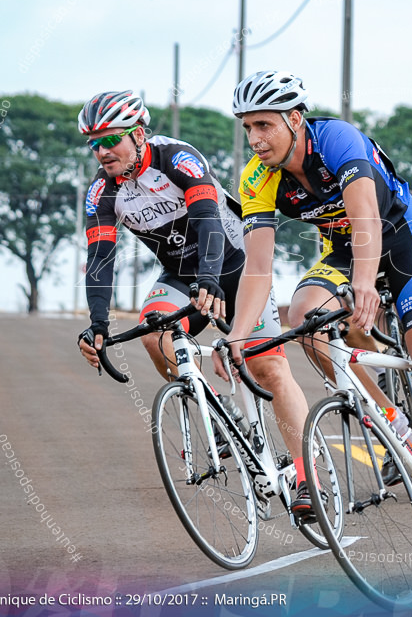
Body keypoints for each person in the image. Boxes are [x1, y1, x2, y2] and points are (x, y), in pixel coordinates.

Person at [220, 70, 412, 556]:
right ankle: (393, 421)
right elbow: (257, 268)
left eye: (264, 125)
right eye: (247, 127)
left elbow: (365, 219)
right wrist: (239, 334)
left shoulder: (337, 139)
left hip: (402, 239)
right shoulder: (258, 179)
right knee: (304, 317)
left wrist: (363, 285)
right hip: (343, 251)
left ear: (295, 119)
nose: (254, 139)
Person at [74, 90, 313, 514]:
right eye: (94, 143)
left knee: (268, 366)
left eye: (111, 139)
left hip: (234, 263)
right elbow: (99, 259)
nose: (103, 151)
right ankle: (217, 416)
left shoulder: (177, 158)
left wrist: (211, 279)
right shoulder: (102, 193)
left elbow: (207, 220)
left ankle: (307, 476)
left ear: (139, 134)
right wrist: (97, 324)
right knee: (154, 333)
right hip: (182, 275)